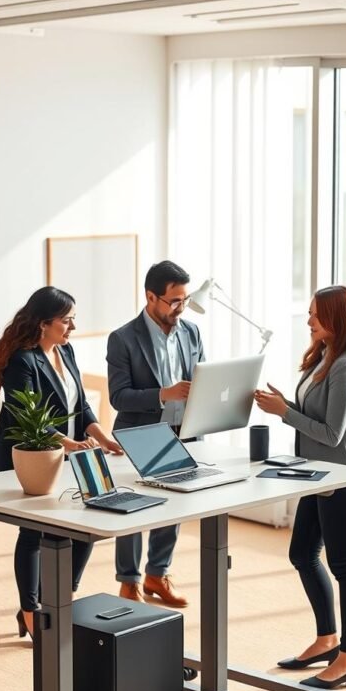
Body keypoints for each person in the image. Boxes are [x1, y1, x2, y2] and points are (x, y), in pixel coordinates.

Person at [254, 285, 346, 689]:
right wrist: (285, 403)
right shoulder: (324, 356)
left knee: (344, 567)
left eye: (314, 315)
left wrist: (284, 412)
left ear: (335, 320)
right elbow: (316, 414)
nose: (308, 321)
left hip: (344, 477)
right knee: (302, 553)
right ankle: (327, 639)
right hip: (319, 474)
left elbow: (332, 433)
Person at [0, 286, 122, 639]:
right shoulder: (23, 360)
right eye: (67, 320)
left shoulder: (67, 350)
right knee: (34, 531)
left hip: (74, 451)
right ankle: (31, 610)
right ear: (44, 323)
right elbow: (24, 413)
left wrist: (103, 438)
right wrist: (67, 443)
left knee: (89, 525)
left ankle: (60, 596)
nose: (72, 327)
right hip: (37, 454)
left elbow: (81, 408)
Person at [107, 260, 205, 607]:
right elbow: (118, 397)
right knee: (135, 507)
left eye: (185, 299)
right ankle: (129, 581)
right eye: (174, 301)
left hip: (182, 430)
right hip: (139, 432)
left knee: (174, 504)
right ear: (151, 297)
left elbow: (201, 380)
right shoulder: (122, 339)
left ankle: (157, 573)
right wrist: (165, 393)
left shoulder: (191, 333)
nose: (181, 307)